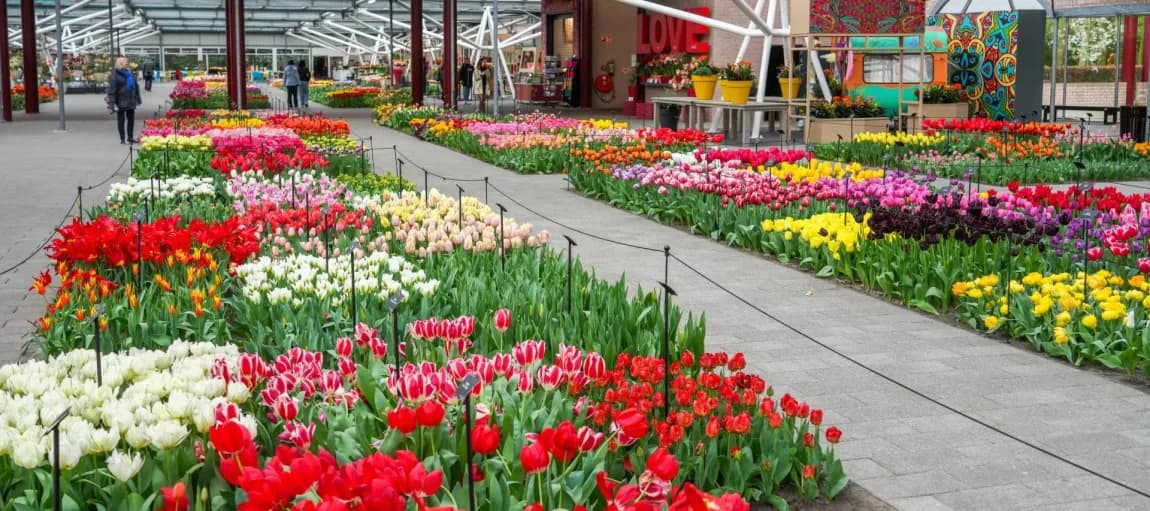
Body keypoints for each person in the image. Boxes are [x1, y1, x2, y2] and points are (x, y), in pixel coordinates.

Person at [105, 56, 142, 145]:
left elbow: (136, 87)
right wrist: (112, 103)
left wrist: (138, 98)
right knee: (121, 121)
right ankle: (122, 139)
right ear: (121, 64)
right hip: (120, 101)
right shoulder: (115, 76)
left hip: (130, 99)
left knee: (131, 120)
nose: (128, 64)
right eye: (126, 63)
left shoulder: (130, 73)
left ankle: (130, 137)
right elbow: (112, 91)